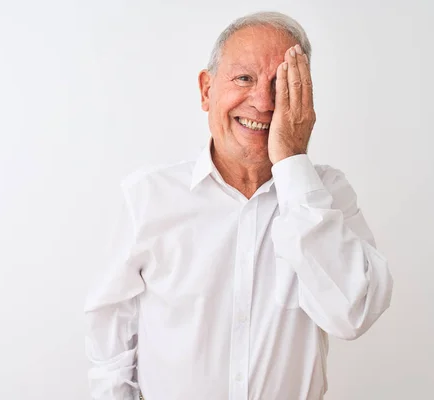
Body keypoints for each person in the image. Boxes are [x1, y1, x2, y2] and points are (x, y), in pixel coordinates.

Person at [84, 11, 393, 400]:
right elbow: (110, 346)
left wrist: (293, 164)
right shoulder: (148, 196)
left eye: (281, 86)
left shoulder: (327, 193)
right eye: (244, 78)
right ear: (206, 90)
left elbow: (353, 314)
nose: (263, 102)